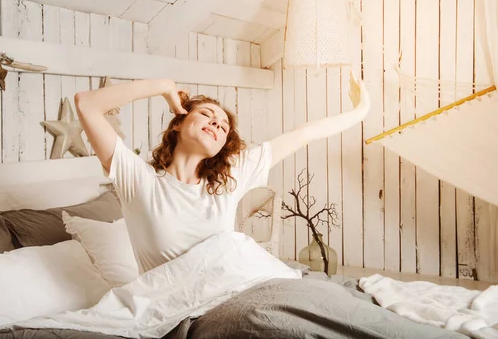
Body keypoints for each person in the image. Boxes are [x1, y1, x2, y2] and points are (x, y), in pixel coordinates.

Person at [74, 75, 370, 274]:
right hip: (187, 313)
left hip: (241, 291)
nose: (216, 124)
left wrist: (360, 111)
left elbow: (303, 133)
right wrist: (163, 86)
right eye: (206, 115)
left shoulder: (229, 179)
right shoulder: (138, 179)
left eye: (223, 126)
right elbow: (86, 103)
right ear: (177, 123)